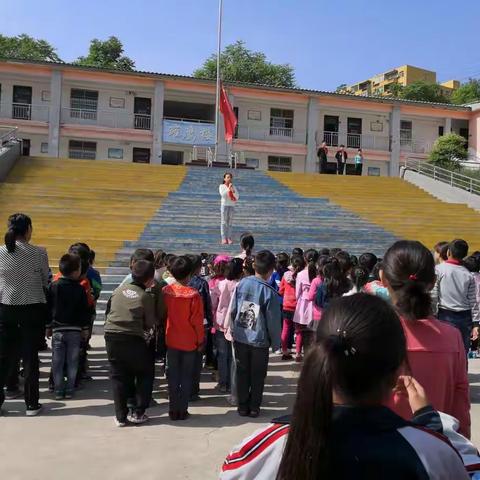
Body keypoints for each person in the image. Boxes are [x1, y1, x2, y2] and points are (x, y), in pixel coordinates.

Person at [220, 294, 470, 480]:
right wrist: (431, 424)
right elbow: (460, 466)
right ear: (397, 371)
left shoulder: (264, 449)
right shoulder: (432, 453)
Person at [381, 240, 471, 438]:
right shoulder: (452, 337)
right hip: (437, 450)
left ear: (383, 277)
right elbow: (460, 405)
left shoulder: (372, 335)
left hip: (380, 456)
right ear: (432, 281)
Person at [0, 213, 49, 416]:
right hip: (31, 308)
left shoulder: (1, 252)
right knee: (30, 357)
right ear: (28, 229)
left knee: (3, 356)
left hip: (6, 306)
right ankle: (31, 404)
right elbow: (46, 280)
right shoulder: (38, 253)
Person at [104, 260, 157, 426]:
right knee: (143, 373)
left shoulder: (118, 291)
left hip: (112, 336)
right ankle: (138, 412)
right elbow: (149, 323)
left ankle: (120, 416)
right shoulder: (145, 296)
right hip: (133, 338)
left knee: (118, 376)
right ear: (149, 280)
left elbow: (108, 312)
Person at [230, 250, 282, 417]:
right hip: (259, 340)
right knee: (258, 375)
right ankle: (254, 407)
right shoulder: (270, 292)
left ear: (254, 266)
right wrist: (276, 343)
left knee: (242, 372)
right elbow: (274, 322)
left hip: (241, 336)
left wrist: (233, 329)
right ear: (271, 270)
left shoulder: (242, 284)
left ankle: (242, 405)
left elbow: (234, 310)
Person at [163, 256, 204, 421]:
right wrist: (200, 340)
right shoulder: (194, 295)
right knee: (186, 377)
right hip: (189, 341)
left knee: (173, 376)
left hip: (171, 338)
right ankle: (182, 409)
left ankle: (173, 409)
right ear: (189, 275)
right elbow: (197, 321)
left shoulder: (166, 292)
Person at [46, 254, 90, 400]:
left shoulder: (53, 286)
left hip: (58, 330)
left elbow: (48, 308)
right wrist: (85, 329)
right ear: (77, 271)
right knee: (72, 362)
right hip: (75, 331)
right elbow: (84, 311)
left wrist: (48, 326)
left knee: (57, 362)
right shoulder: (79, 289)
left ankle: (58, 390)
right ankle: (70, 388)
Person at [432, 239, 478, 354]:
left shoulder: (438, 270)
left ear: (448, 252)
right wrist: (476, 323)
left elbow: (433, 295)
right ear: (465, 255)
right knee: (462, 351)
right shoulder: (468, 275)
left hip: (445, 315)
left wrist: (432, 313)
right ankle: (462, 371)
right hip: (465, 317)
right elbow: (473, 301)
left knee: (445, 350)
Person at [215, 258, 243, 393]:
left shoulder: (221, 284)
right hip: (234, 323)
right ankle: (232, 383)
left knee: (222, 354)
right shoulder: (241, 285)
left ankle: (222, 383)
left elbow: (214, 303)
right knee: (233, 356)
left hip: (221, 321)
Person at [187, 254, 213, 401]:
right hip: (199, 324)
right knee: (197, 358)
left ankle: (181, 388)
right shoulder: (201, 283)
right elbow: (206, 305)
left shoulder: (180, 282)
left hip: (183, 325)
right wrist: (208, 323)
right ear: (199, 268)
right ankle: (193, 391)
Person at [293, 249, 319, 361]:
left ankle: (298, 353)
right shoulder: (319, 273)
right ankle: (312, 353)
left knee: (299, 331)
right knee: (313, 332)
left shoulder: (300, 274)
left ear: (305, 259)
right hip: (315, 306)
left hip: (303, 305)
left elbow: (297, 293)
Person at [279, 255, 305, 360]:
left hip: (286, 306)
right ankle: (298, 353)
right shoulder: (302, 276)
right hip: (298, 307)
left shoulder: (285, 275)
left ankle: (285, 351)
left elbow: (280, 290)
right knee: (299, 330)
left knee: (285, 329)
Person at [219, 172, 239, 245]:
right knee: (224, 222)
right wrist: (228, 188)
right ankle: (223, 238)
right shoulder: (222, 186)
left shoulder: (233, 187)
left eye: (230, 177)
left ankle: (229, 238)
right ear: (224, 179)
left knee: (230, 223)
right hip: (224, 205)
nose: (229, 178)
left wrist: (232, 190)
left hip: (232, 205)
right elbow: (223, 195)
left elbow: (237, 196)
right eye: (227, 177)